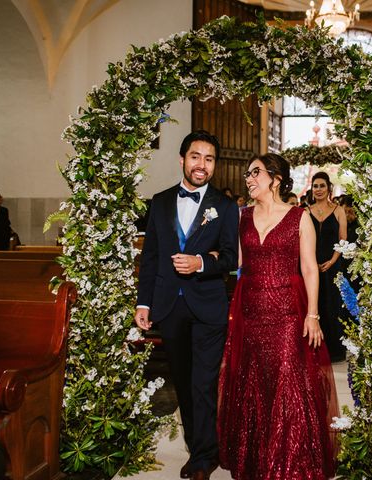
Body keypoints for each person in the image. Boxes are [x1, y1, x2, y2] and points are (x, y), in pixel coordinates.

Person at [218, 153, 338, 480]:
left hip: (287, 311)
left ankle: (288, 461)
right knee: (253, 379)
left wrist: (312, 315)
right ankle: (256, 460)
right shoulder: (241, 217)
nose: (248, 178)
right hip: (250, 311)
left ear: (275, 178)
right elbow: (234, 261)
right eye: (247, 174)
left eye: (255, 173)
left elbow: (310, 268)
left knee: (286, 380)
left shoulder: (299, 217)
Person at [135, 130, 239, 480]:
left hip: (207, 307)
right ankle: (200, 447)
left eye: (209, 159)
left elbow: (228, 258)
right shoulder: (161, 201)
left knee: (203, 384)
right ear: (182, 159)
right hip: (169, 307)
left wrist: (201, 264)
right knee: (182, 381)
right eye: (196, 157)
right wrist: (144, 303)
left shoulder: (224, 208)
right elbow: (150, 257)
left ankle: (203, 457)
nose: (202, 165)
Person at [307, 171, 348, 361]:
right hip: (310, 265)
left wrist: (332, 261)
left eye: (322, 185)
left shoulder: (338, 210)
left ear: (329, 188)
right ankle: (314, 350)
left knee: (332, 306)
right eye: (315, 186)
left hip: (333, 264)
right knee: (314, 304)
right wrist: (310, 262)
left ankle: (334, 351)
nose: (319, 189)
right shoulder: (306, 211)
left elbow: (343, 239)